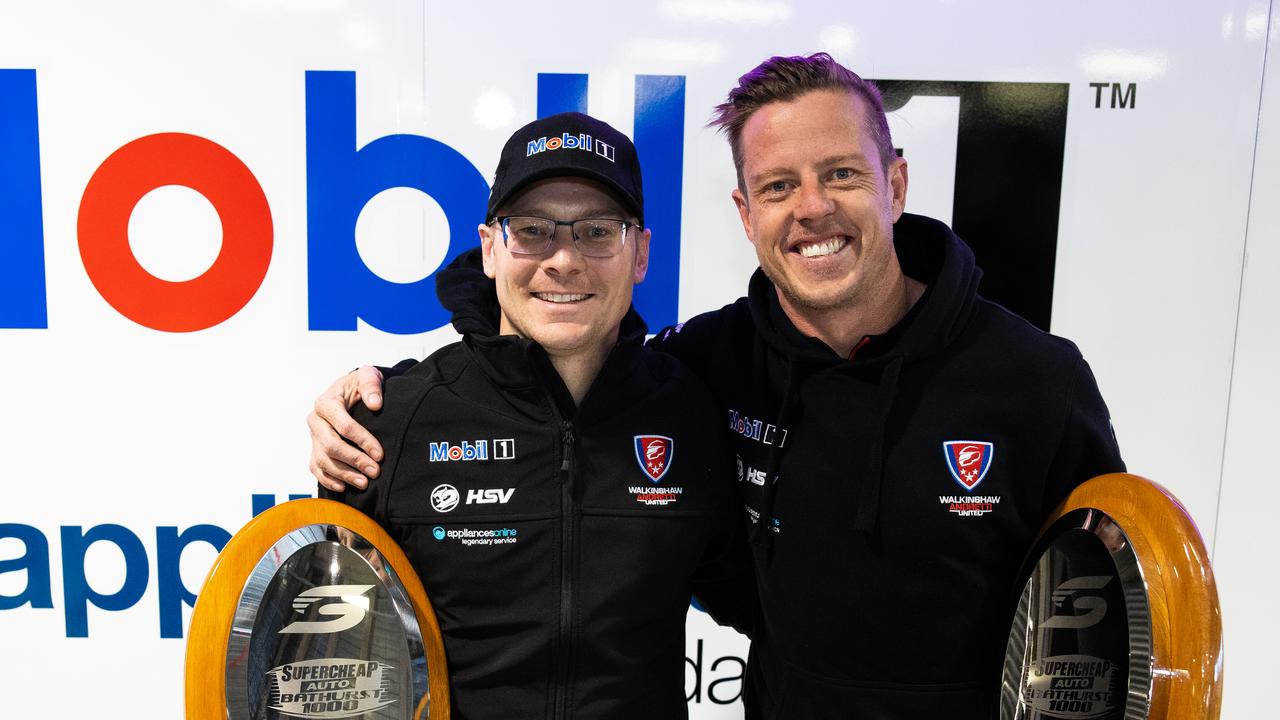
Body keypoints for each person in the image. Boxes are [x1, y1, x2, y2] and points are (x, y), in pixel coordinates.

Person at [309, 54, 1124, 718]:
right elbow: (326, 653)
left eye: (840, 173)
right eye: (777, 186)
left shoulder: (1036, 382)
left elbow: (1102, 616)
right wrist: (359, 397)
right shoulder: (702, 370)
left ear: (896, 186)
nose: (811, 208)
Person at [318, 111, 747, 720]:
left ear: (641, 253)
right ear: (491, 247)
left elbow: (766, 602)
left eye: (598, 231)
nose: (564, 260)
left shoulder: (692, 414)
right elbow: (334, 667)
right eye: (533, 230)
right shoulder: (388, 423)